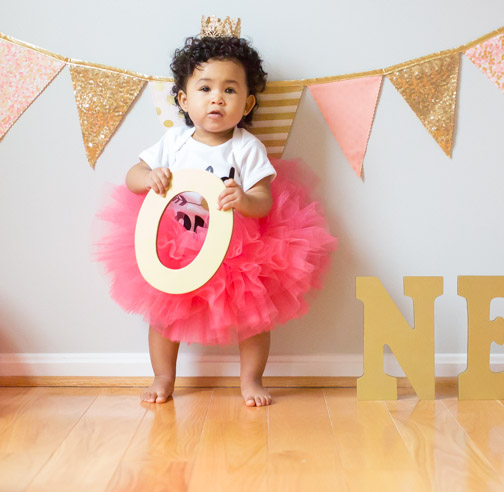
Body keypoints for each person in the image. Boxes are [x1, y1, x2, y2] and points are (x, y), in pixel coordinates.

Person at [95, 20, 335, 407]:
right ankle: (163, 377)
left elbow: (264, 200)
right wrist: (149, 176)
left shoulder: (246, 148)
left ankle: (251, 380)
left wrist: (243, 198)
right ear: (183, 100)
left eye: (229, 90)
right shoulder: (174, 141)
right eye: (205, 89)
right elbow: (132, 176)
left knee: (254, 317)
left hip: (237, 248)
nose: (217, 99)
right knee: (165, 314)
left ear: (248, 104)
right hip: (177, 241)